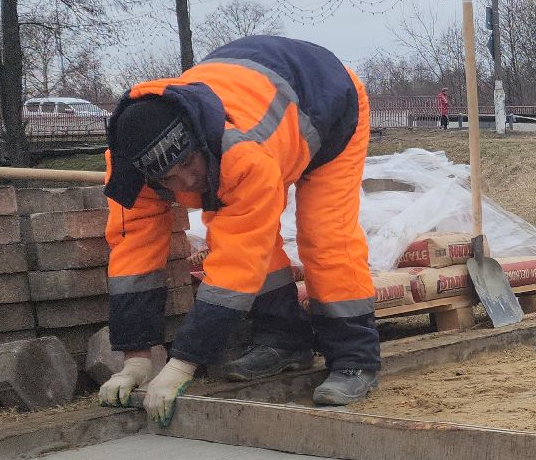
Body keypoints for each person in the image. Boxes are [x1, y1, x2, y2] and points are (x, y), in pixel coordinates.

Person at [96, 34, 382, 425]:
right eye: (170, 177)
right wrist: (136, 357)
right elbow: (134, 252)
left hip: (329, 102)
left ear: (200, 140)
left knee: (325, 235)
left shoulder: (240, 154)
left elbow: (237, 262)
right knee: (238, 233)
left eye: (189, 163)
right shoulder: (131, 170)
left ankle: (354, 358)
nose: (187, 180)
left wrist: (182, 363)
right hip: (266, 101)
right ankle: (284, 341)